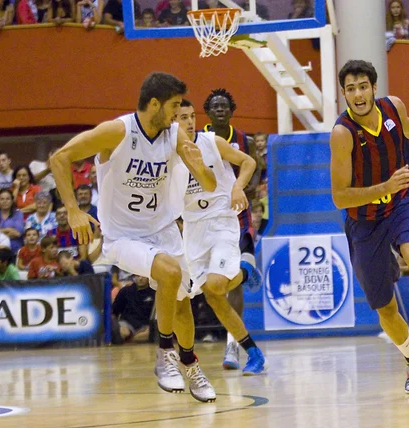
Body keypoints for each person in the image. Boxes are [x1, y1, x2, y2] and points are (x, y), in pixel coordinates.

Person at [49, 72, 217, 403]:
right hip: (123, 235)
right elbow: (59, 157)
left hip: (164, 229)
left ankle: (188, 361)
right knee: (169, 273)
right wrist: (72, 209)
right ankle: (165, 354)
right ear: (154, 104)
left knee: (181, 305)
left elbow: (210, 186)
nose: (176, 114)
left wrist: (200, 168)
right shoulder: (118, 131)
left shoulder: (174, 135)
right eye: (173, 107)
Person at [330, 60, 409, 395]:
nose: (357, 94)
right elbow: (340, 197)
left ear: (374, 87)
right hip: (364, 222)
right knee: (384, 306)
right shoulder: (342, 134)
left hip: (401, 204)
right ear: (344, 94)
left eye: (362, 86)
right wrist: (383, 186)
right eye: (350, 88)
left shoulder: (394, 108)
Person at [177, 99, 265, 374]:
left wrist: (238, 187)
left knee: (216, 283)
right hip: (193, 228)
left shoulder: (211, 142)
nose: (190, 122)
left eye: (192, 116)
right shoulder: (167, 155)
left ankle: (245, 272)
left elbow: (248, 161)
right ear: (172, 122)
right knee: (213, 296)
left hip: (222, 221)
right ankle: (254, 353)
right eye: (183, 117)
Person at [203, 88, 262, 371]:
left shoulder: (244, 141)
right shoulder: (198, 140)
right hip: (206, 219)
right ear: (208, 112)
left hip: (237, 215)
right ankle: (247, 273)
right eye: (215, 106)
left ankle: (232, 346)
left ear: (231, 110)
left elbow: (256, 171)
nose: (220, 110)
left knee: (229, 279)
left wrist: (239, 187)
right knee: (214, 285)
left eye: (224, 105)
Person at [112, 275, 156, 343]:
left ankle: (131, 339)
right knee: (123, 332)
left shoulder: (154, 293)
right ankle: (130, 339)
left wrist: (150, 327)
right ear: (134, 277)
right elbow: (114, 311)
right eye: (138, 276)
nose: (140, 279)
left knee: (148, 334)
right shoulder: (125, 291)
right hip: (126, 323)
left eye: (143, 276)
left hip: (145, 325)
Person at [0, 189, 24, 256]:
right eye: (2, 199)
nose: (5, 201)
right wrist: (8, 230)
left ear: (12, 200)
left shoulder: (18, 214)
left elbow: (18, 233)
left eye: (7, 199)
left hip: (14, 249)